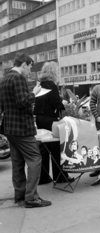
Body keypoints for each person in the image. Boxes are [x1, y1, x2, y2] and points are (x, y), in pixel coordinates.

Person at [0, 53, 51, 208]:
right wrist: (34, 93)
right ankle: (31, 197)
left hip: (10, 127)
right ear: (24, 64)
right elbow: (23, 102)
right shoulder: (18, 78)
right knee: (35, 159)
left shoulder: (4, 79)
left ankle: (20, 195)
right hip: (22, 128)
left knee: (17, 163)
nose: (29, 71)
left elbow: (3, 105)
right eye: (29, 67)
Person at [34, 61, 74, 184]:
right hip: (50, 119)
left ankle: (44, 177)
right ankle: (60, 176)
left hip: (40, 119)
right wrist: (65, 104)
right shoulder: (52, 85)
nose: (58, 73)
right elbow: (56, 103)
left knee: (44, 148)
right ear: (53, 72)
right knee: (56, 147)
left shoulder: (40, 85)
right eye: (57, 71)